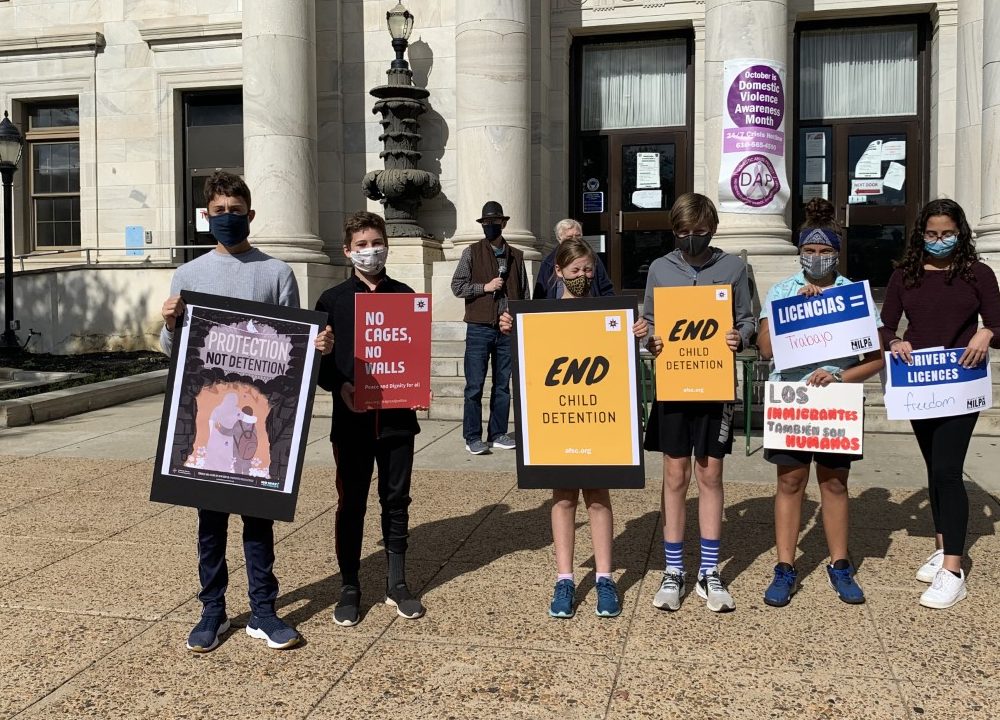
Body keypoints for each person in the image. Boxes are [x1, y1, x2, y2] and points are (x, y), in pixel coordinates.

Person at [160, 171, 333, 653]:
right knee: (210, 524)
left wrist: (317, 346)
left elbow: (294, 353)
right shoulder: (189, 274)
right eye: (219, 212)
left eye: (236, 211)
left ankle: (262, 610)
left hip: (257, 420)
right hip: (208, 416)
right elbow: (174, 351)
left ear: (250, 214)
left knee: (258, 521)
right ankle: (212, 611)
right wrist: (170, 324)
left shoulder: (276, 272)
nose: (228, 218)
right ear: (206, 216)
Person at [498, 238, 647, 618]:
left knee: (598, 496)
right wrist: (510, 326)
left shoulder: (609, 312)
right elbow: (525, 354)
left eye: (588, 270)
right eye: (575, 269)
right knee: (563, 497)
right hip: (559, 422)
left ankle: (604, 578)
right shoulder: (540, 316)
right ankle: (564, 578)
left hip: (597, 420)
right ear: (557, 272)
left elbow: (632, 358)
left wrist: (640, 334)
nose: (582, 276)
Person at [756, 198, 884, 607]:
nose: (816, 258)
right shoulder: (783, 291)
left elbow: (876, 358)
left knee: (834, 483)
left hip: (836, 399)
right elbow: (763, 348)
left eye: (825, 251)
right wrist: (801, 309)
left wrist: (841, 375)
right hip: (792, 398)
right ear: (799, 253)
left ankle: (840, 563)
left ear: (837, 253)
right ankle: (785, 566)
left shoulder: (852, 295)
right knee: (790, 482)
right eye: (809, 251)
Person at [880, 198, 1000, 609]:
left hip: (961, 381)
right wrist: (894, 341)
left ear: (960, 233)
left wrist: (988, 334)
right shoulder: (904, 275)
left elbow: (999, 322)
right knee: (934, 468)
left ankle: (953, 569)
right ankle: (942, 542)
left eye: (947, 233)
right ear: (921, 234)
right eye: (931, 234)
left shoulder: (978, 274)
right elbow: (884, 325)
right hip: (918, 382)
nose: (939, 240)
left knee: (949, 470)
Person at [642, 192, 754, 613]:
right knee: (674, 476)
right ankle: (674, 570)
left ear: (713, 229)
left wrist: (738, 337)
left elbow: (745, 318)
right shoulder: (659, 268)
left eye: (700, 232)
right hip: (674, 382)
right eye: (683, 233)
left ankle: (710, 570)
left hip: (714, 385)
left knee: (710, 476)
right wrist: (649, 339)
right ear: (675, 232)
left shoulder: (733, 267)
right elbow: (650, 319)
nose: (692, 239)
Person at [315, 211, 426, 627]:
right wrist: (334, 378)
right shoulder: (333, 300)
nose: (369, 250)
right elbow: (323, 365)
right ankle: (350, 585)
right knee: (352, 503)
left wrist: (416, 387)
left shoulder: (405, 295)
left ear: (386, 245)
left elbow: (412, 354)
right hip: (352, 421)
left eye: (375, 242)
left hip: (397, 421)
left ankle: (397, 583)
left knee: (396, 501)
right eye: (361, 245)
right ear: (348, 251)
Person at [451, 201, 529, 455]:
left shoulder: (516, 255)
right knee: (474, 385)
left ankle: (497, 433)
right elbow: (457, 286)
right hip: (479, 327)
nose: (490, 226)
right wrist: (484, 287)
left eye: (494, 223)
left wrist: (520, 318)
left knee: (502, 385)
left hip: (507, 328)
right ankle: (472, 436)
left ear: (504, 224)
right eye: (486, 223)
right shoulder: (471, 252)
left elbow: (524, 293)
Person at [533, 219, 614, 299]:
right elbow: (540, 295)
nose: (574, 240)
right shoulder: (549, 262)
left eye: (578, 236)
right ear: (559, 239)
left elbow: (606, 289)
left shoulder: (592, 258)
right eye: (569, 237)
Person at [219, 406, 260, 476]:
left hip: (237, 450)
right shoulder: (253, 426)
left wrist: (220, 427)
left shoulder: (239, 424)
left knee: (238, 469)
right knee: (247, 469)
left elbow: (229, 433)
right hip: (249, 451)